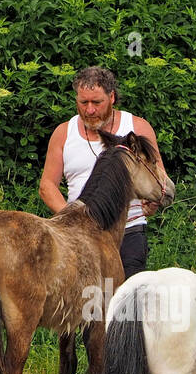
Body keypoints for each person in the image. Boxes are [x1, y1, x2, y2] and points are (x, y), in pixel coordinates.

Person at [39, 66, 165, 279]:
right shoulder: (63, 133)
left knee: (127, 305)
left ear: (112, 97)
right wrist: (72, 219)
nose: (89, 110)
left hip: (128, 231)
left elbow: (157, 175)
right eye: (83, 102)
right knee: (85, 306)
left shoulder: (137, 128)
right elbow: (47, 186)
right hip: (75, 236)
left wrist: (153, 202)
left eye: (96, 102)